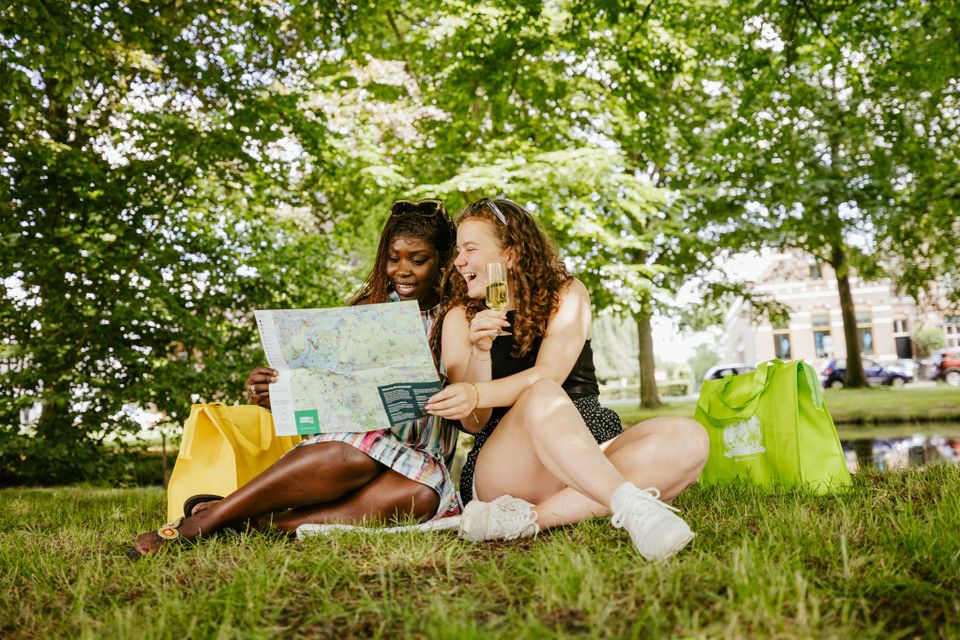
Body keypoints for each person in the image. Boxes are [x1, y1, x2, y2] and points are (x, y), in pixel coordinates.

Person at [130, 199, 459, 557]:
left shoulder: (455, 317)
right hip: (357, 443)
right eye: (394, 258)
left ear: (443, 261)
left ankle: (243, 524)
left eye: (418, 259)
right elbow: (321, 385)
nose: (402, 270)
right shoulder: (366, 312)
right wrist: (277, 394)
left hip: (419, 454)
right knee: (356, 453)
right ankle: (200, 524)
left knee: (421, 496)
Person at [425, 198, 709, 561]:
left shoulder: (566, 294)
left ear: (510, 254)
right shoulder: (459, 319)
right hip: (508, 465)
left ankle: (527, 520)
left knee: (689, 438)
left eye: (470, 249)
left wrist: (477, 391)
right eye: (457, 251)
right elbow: (473, 421)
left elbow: (549, 373)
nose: (458, 261)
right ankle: (629, 503)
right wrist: (480, 352)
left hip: (591, 448)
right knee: (541, 394)